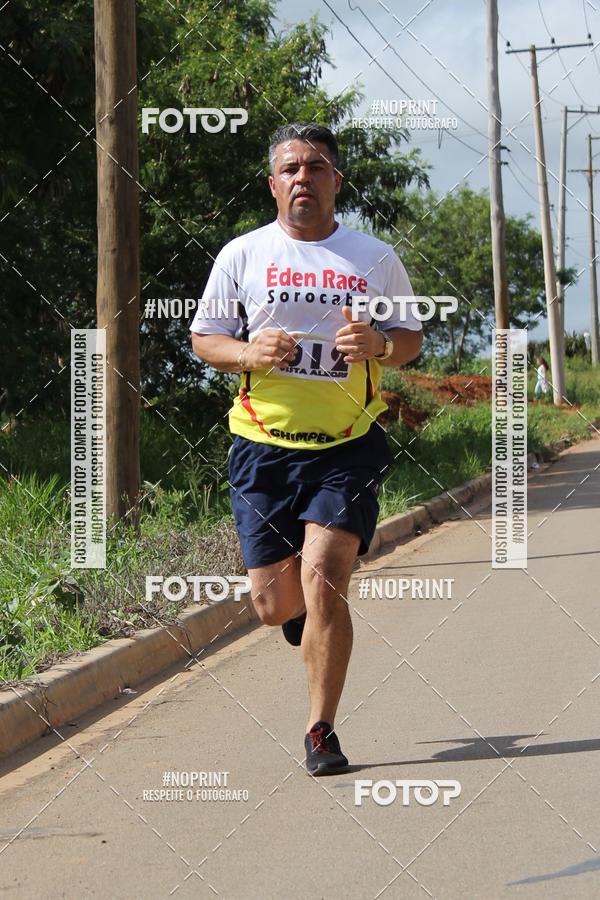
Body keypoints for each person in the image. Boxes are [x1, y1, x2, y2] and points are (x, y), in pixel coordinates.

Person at [190, 123, 422, 776]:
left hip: (348, 444)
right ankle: (298, 619)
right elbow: (206, 338)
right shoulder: (244, 256)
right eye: (290, 168)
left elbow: (410, 338)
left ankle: (321, 730)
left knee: (326, 577)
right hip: (262, 446)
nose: (303, 178)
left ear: (335, 182)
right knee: (274, 606)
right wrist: (246, 350)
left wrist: (379, 346)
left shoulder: (372, 258)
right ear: (272, 184)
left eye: (316, 167)